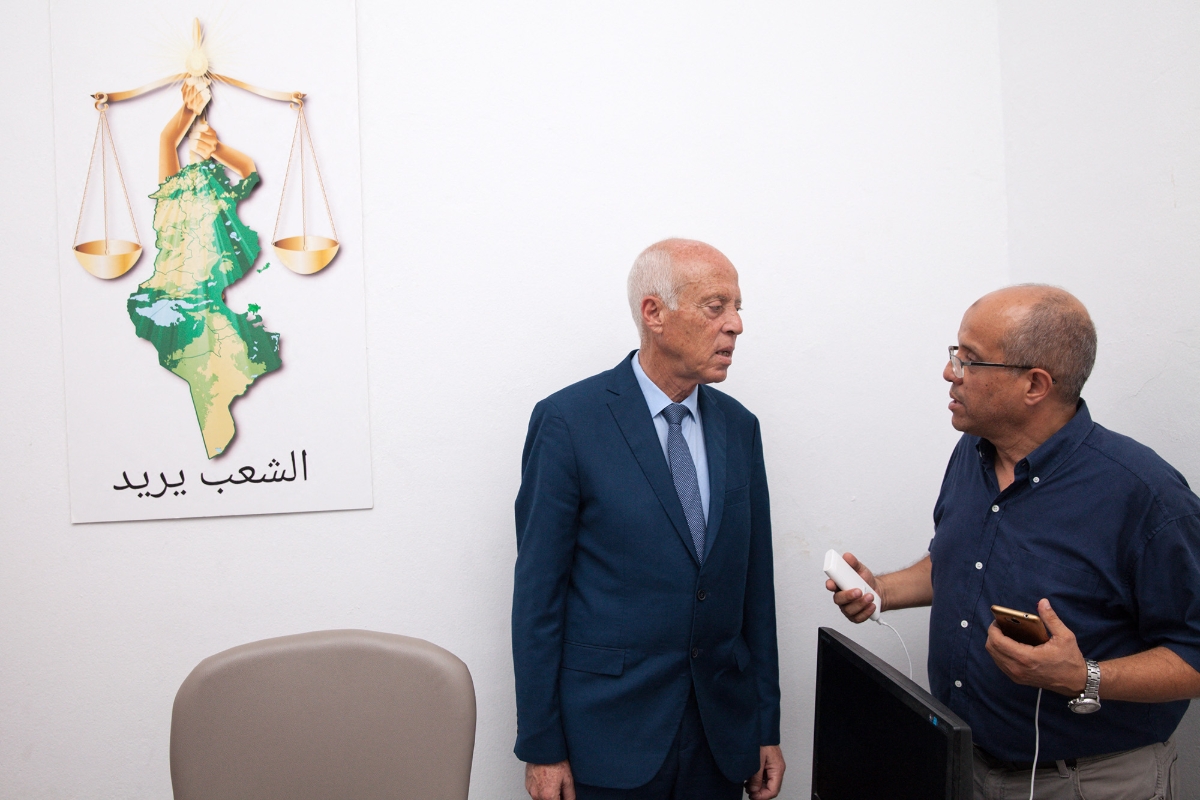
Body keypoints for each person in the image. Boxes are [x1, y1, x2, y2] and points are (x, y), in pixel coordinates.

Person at [828, 285, 1200, 799]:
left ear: (1035, 385)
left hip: (1088, 782)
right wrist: (881, 590)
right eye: (954, 354)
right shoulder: (973, 452)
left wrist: (1084, 677)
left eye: (970, 360)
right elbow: (959, 561)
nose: (949, 372)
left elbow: (1194, 652)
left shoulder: (1145, 495)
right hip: (966, 766)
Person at [512, 239, 785, 800]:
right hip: (607, 739)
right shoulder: (569, 422)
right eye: (716, 307)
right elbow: (538, 598)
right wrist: (542, 745)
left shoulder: (740, 428)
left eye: (738, 308)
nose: (735, 326)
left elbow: (755, 589)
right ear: (653, 313)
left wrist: (764, 726)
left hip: (719, 738)